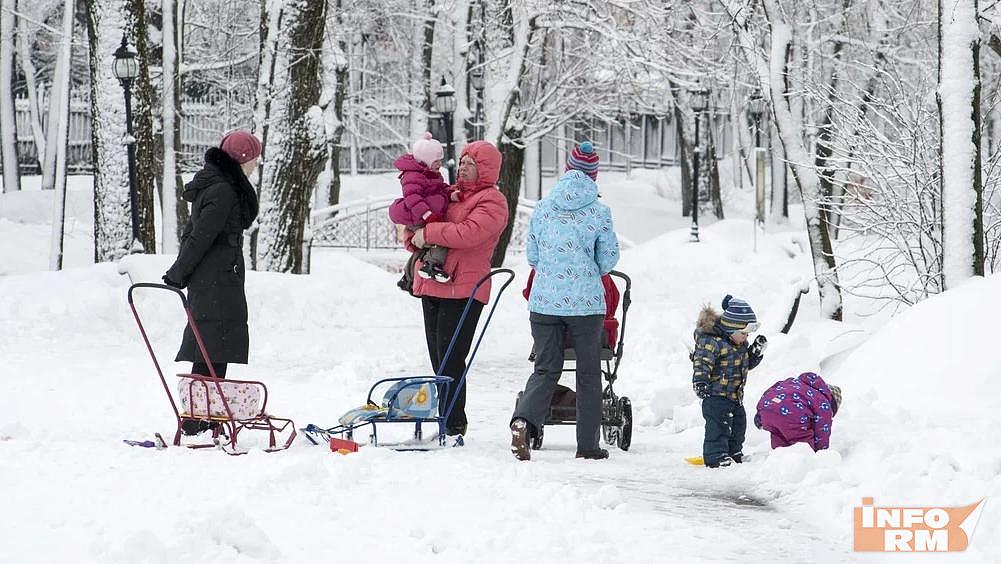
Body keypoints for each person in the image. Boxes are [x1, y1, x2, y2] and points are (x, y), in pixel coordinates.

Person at [510, 145, 620, 461]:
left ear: (567, 168)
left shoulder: (544, 208)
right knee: (588, 373)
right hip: (585, 307)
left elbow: (532, 256)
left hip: (544, 303)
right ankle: (587, 446)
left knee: (546, 369)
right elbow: (608, 260)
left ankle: (523, 422)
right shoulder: (600, 212)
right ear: (593, 175)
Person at [405, 140, 509, 437]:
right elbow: (417, 226)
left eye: (471, 164)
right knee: (438, 358)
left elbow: (468, 234)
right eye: (462, 162)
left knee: (451, 358)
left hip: (464, 289)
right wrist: (413, 236)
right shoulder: (447, 195)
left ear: (485, 170)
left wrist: (428, 232)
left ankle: (452, 422)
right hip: (431, 283)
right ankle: (444, 417)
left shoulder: (492, 201)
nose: (462, 167)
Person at [162, 129, 261, 435]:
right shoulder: (223, 190)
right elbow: (201, 236)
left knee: (214, 349)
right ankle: (196, 421)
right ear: (241, 159)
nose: (256, 165)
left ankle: (206, 419)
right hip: (215, 280)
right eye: (254, 159)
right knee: (211, 349)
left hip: (218, 277)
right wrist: (178, 272)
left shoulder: (223, 186)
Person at [691, 295, 767, 468]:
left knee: (739, 426)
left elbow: (745, 365)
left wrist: (755, 353)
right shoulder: (711, 342)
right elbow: (702, 363)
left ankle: (734, 452)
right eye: (743, 333)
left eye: (748, 333)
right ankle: (716, 456)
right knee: (718, 428)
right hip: (716, 396)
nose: (746, 337)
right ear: (731, 328)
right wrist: (700, 383)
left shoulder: (739, 344)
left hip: (734, 396)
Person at [388, 132, 454, 283]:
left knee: (429, 242)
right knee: (439, 238)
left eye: (440, 160)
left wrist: (451, 194)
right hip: (417, 216)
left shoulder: (432, 174)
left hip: (424, 215)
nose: (439, 164)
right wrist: (428, 215)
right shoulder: (413, 176)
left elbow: (441, 189)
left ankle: (412, 274)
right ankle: (430, 265)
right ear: (426, 160)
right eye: (436, 160)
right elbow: (413, 199)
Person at [755, 372, 842, 451]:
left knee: (779, 440)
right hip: (791, 416)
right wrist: (820, 453)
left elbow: (771, 391)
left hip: (767, 411)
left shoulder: (792, 382)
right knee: (803, 448)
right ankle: (803, 464)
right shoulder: (824, 403)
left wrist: (759, 414)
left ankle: (778, 461)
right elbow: (822, 432)